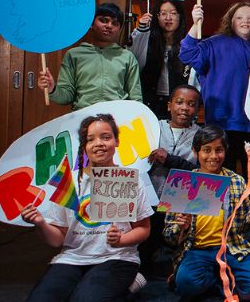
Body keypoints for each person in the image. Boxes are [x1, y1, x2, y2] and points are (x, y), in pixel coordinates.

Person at [23, 114, 153, 301]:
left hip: (117, 258)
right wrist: (40, 223)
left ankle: (128, 287)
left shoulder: (128, 180)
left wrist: (122, 239)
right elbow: (57, 240)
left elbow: (143, 228)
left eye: (106, 137)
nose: (98, 143)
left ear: (117, 141)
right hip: (73, 258)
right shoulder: (69, 182)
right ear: (84, 146)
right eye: (90, 139)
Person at [164, 125, 250, 300]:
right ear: (195, 152)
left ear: (225, 151)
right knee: (186, 284)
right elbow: (168, 237)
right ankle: (220, 280)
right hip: (197, 250)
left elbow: (244, 225)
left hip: (231, 248)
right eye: (206, 150)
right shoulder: (184, 184)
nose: (213, 156)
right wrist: (180, 227)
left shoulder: (236, 181)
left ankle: (221, 279)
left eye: (218, 150)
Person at [180, 1, 250, 176]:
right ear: (230, 20)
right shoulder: (214, 44)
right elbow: (187, 53)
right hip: (222, 124)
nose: (245, 21)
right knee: (224, 177)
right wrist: (196, 24)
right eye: (239, 17)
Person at [139, 84, 201, 274]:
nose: (184, 108)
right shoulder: (153, 128)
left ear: (197, 110)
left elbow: (200, 170)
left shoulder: (201, 135)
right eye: (179, 102)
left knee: (175, 243)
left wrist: (170, 160)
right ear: (169, 105)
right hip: (150, 197)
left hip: (180, 202)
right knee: (146, 243)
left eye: (191, 104)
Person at [38, 3, 142, 109]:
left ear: (119, 29)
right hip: (83, 117)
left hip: (116, 118)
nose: (109, 26)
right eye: (103, 20)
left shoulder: (127, 57)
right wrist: (52, 89)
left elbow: (136, 98)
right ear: (91, 24)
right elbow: (66, 97)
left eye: (115, 23)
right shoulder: (74, 55)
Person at [130, 0, 188, 119]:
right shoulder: (147, 39)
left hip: (178, 103)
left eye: (173, 13)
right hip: (150, 100)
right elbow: (133, 57)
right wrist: (141, 29)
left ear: (180, 16)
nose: (168, 18)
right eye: (163, 13)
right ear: (156, 17)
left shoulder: (187, 44)